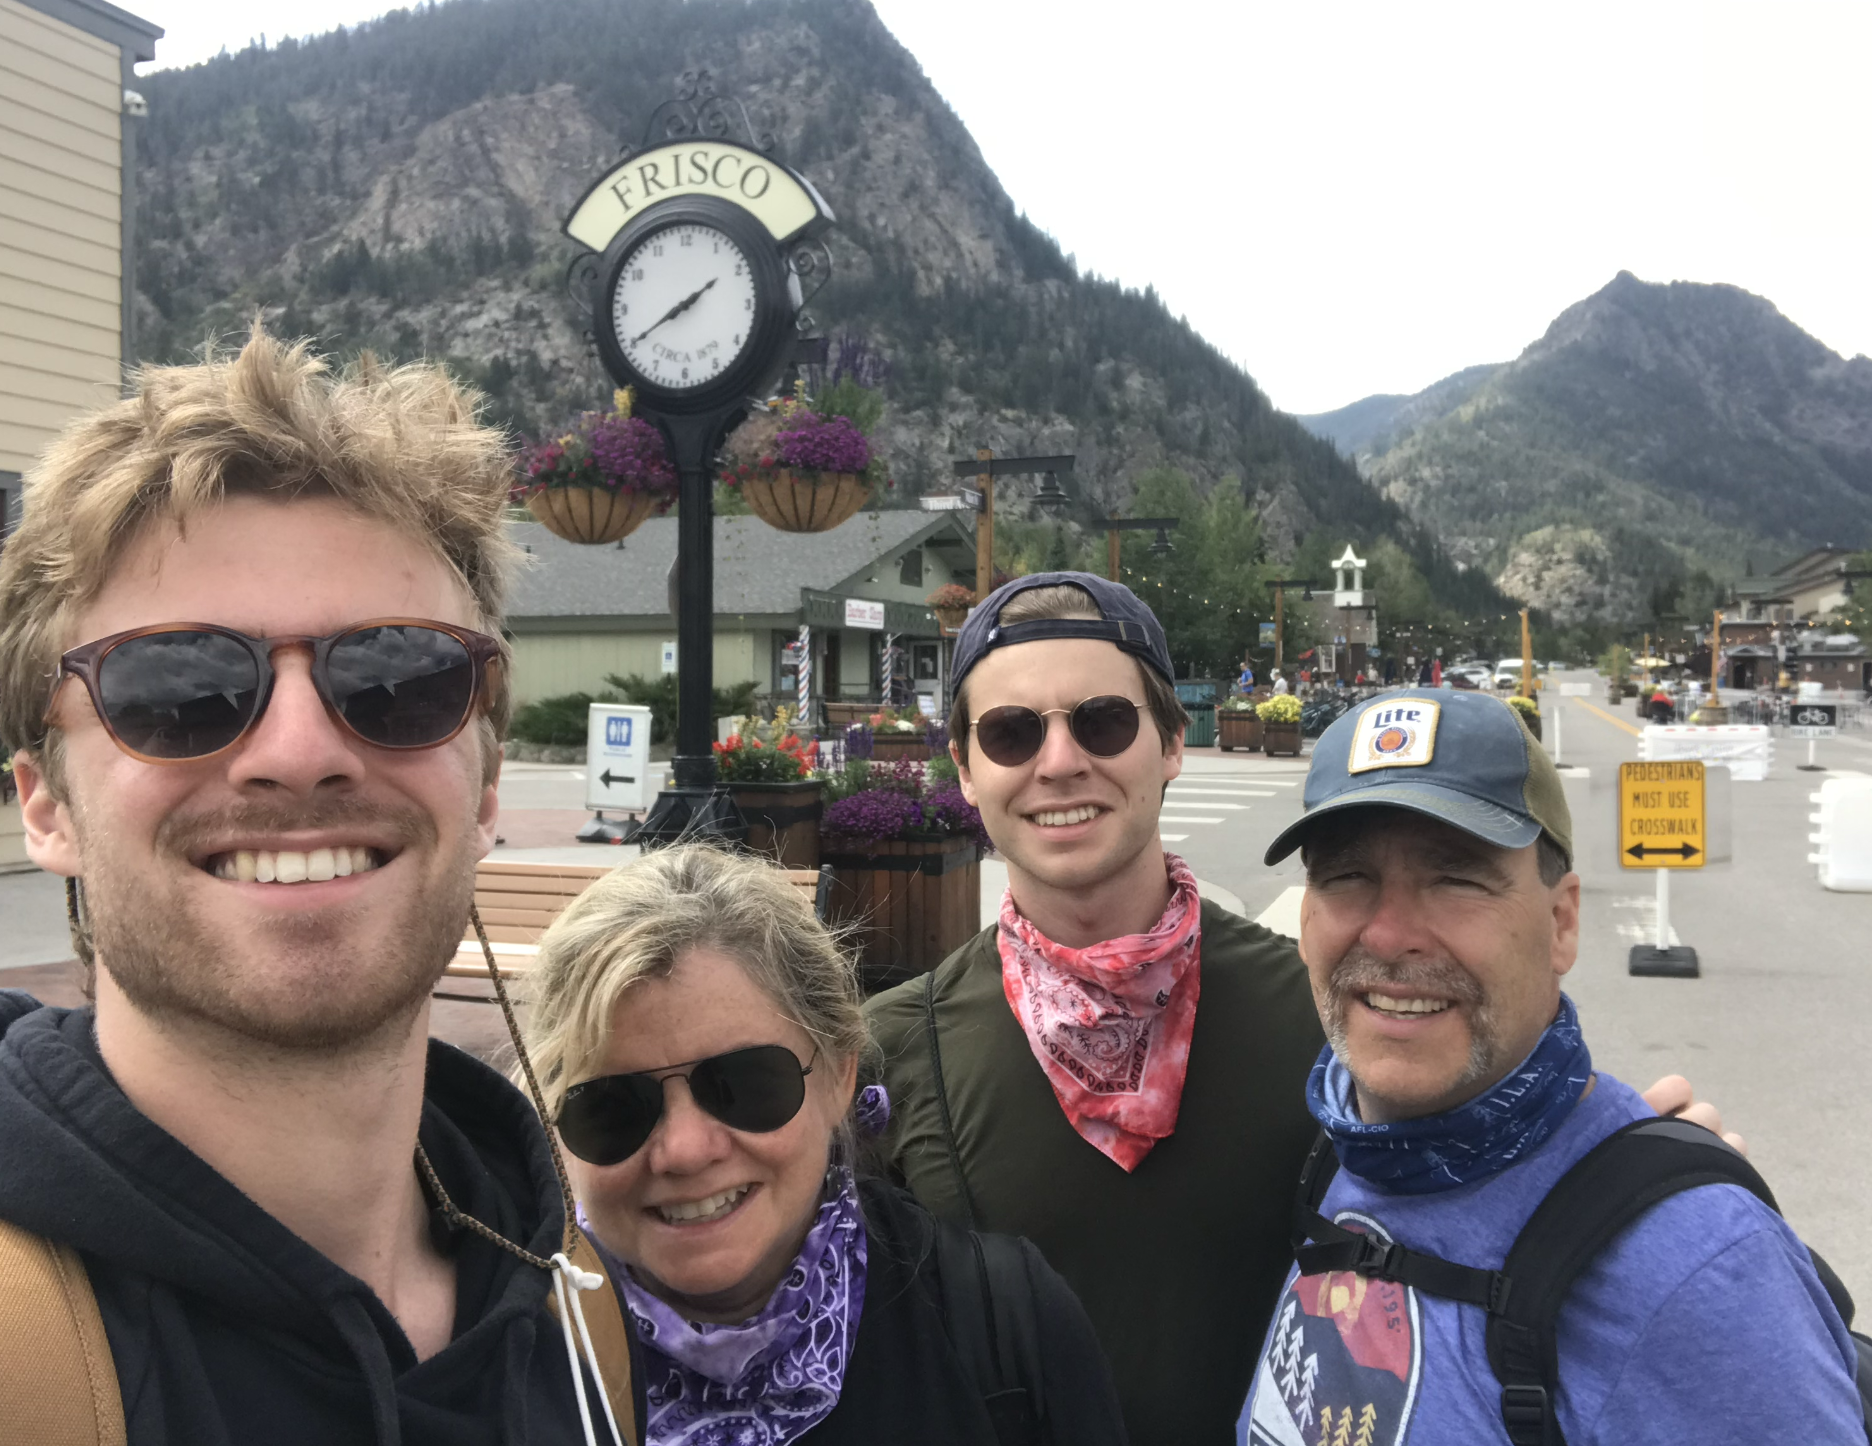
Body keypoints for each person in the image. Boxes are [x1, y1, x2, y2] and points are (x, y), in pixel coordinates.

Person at [865, 574, 1738, 1446]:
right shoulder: (887, 1055)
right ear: (967, 770)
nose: (1059, 761)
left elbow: (1507, 1140)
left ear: (1172, 743)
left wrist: (1645, 1174)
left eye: (1102, 721)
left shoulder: (1337, 1011)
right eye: (1012, 733)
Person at [0, 330, 642, 1444]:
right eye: (179, 685)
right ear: (44, 804)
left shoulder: (573, 1307)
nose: (299, 750)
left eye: (399, 676)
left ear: (484, 782)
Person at [1238, 688, 1859, 1445]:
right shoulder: (1340, 1148)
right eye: (1346, 876)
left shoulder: (1698, 1273)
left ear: (1561, 922)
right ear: (1305, 918)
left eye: (1457, 877)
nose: (1392, 931)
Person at [520, 844, 1127, 1446]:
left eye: (742, 1085)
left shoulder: (1004, 1328)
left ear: (840, 1075)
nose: (684, 1150)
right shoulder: (496, 1364)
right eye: (611, 1108)